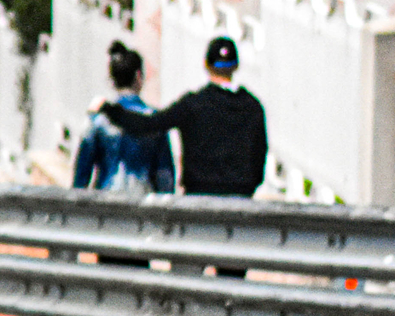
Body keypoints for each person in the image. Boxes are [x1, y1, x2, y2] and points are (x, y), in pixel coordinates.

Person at [93, 35, 268, 198]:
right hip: (241, 197)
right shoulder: (253, 107)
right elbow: (260, 154)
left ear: (206, 65)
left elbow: (148, 125)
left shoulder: (193, 105)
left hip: (199, 196)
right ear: (236, 66)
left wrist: (110, 110)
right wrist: (248, 185)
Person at [71, 42, 174, 197]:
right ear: (139, 76)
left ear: (112, 80)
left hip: (105, 202)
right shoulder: (154, 120)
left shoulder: (98, 120)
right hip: (143, 204)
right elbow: (165, 176)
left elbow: (81, 175)